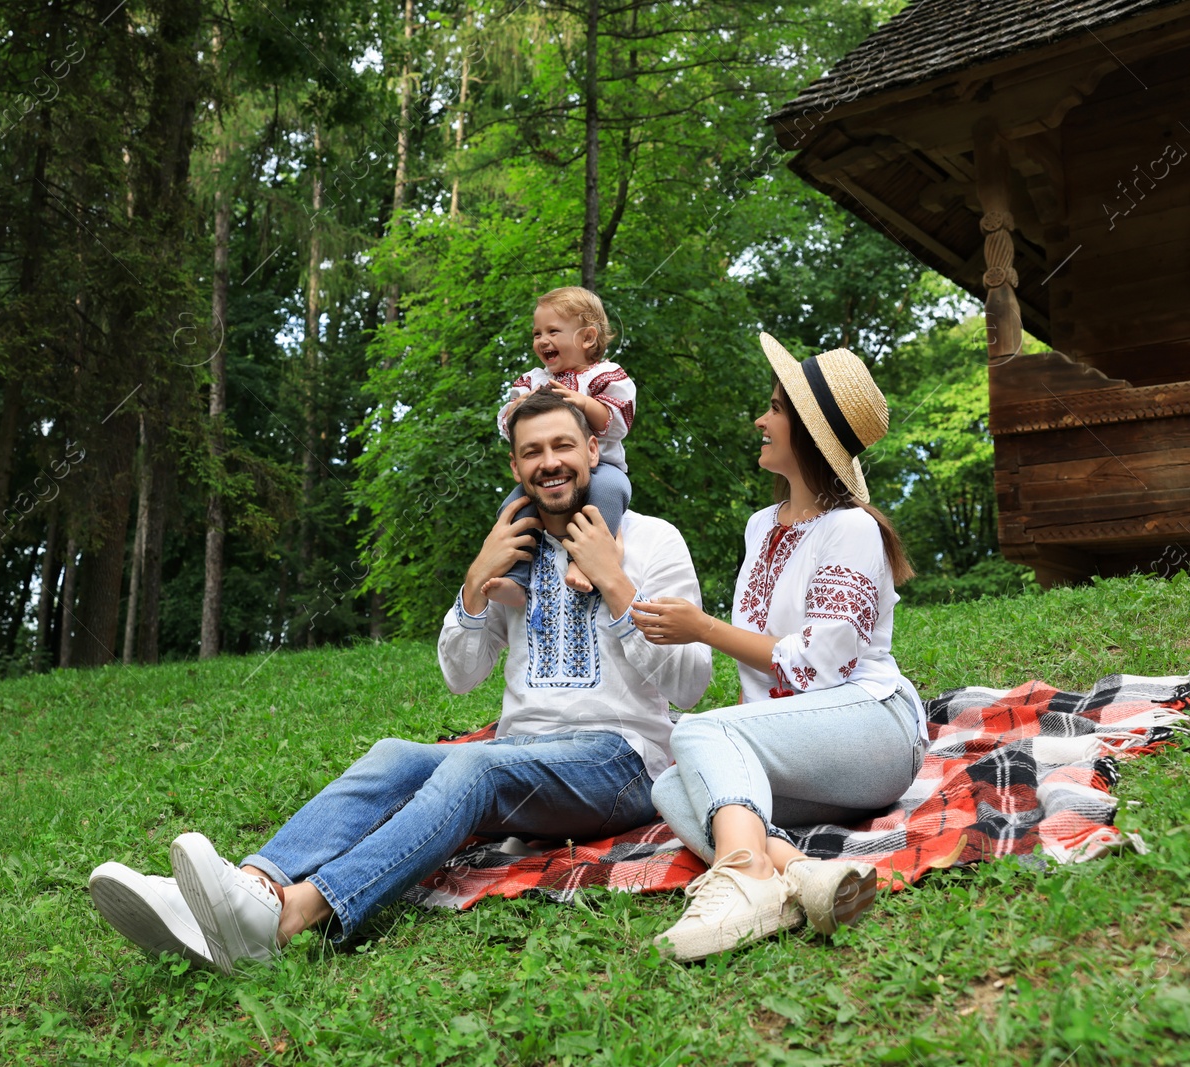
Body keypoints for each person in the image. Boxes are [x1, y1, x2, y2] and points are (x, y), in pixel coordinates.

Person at [88, 390, 712, 974]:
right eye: (532, 452)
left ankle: (286, 919)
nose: (549, 463)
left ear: (592, 452)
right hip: (522, 751)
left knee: (472, 769)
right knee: (396, 755)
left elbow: (690, 685)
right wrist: (473, 586)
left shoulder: (652, 541)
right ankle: (247, 889)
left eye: (562, 447)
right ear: (516, 467)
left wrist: (616, 585)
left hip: (621, 760)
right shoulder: (512, 550)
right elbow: (460, 676)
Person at [631, 333, 926, 962]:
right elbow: (762, 684)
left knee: (702, 733)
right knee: (674, 786)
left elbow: (821, 666)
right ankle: (801, 875)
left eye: (775, 409)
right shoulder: (760, 527)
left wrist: (702, 628)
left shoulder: (850, 529)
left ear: (811, 433)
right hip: (805, 752)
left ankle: (743, 877)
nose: (761, 421)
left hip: (875, 731)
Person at [483, 286, 636, 608]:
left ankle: (586, 561)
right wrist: (516, 409)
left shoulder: (605, 376)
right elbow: (507, 425)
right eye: (537, 333)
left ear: (587, 338)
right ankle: (516, 578)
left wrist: (585, 403)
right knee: (512, 508)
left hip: (601, 466)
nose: (542, 340)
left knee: (610, 493)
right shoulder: (533, 380)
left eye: (553, 331)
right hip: (553, 475)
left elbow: (619, 422)